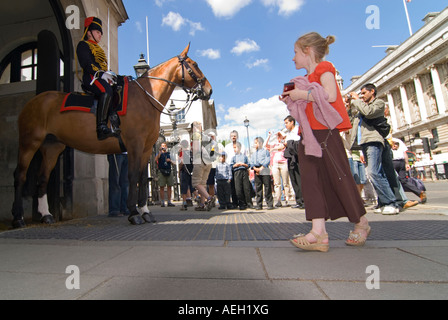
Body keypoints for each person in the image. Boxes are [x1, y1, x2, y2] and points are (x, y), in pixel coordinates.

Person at [280, 32, 369, 252]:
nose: (293, 58)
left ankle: (362, 223)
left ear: (307, 50)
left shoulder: (324, 68)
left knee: (340, 177)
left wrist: (301, 94)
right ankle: (318, 232)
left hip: (325, 133)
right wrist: (291, 98)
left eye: (296, 52)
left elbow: (329, 95)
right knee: (310, 181)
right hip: (308, 134)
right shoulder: (302, 80)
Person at [348, 84, 401, 215]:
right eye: (360, 94)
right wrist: (350, 106)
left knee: (373, 172)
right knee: (377, 173)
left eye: (364, 93)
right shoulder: (361, 108)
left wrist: (356, 100)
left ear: (372, 92)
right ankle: (382, 202)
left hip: (374, 141)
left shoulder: (379, 103)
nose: (362, 96)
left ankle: (391, 202)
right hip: (364, 142)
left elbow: (369, 113)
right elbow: (350, 122)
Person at [76, 17, 118, 140]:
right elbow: (86, 63)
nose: (100, 35)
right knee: (106, 91)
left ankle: (114, 119)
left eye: (101, 33)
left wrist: (110, 76)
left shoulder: (99, 49)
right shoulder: (83, 45)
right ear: (89, 32)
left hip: (101, 76)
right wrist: (101, 74)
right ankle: (101, 127)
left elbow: (104, 66)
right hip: (91, 77)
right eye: (98, 32)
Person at [391, 138, 427, 203]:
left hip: (393, 162)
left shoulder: (388, 140)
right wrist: (406, 163)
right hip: (401, 162)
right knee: (403, 180)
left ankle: (396, 199)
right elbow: (405, 153)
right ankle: (419, 192)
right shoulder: (399, 140)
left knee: (391, 181)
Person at [191, 122, 215, 211]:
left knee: (196, 183)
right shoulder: (207, 137)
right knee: (203, 184)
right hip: (208, 163)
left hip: (200, 161)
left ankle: (209, 198)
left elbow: (196, 149)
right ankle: (202, 204)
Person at [283, 116, 305, 209]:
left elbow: (297, 145)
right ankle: (299, 201)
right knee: (293, 180)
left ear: (292, 122)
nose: (285, 125)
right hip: (290, 159)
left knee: (299, 179)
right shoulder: (288, 134)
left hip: (297, 158)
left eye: (287, 122)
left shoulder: (297, 131)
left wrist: (288, 143)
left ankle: (304, 201)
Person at [266, 130, 292, 207]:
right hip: (275, 164)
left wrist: (281, 132)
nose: (279, 137)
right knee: (277, 183)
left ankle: (287, 199)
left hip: (283, 163)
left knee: (285, 182)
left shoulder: (284, 142)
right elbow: (265, 144)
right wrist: (269, 136)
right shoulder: (273, 144)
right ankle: (278, 200)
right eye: (278, 136)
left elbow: (283, 145)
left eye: (279, 136)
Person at [250, 137, 274, 210]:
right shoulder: (253, 154)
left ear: (260, 143)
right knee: (258, 187)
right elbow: (251, 162)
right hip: (256, 170)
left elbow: (267, 160)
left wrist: (262, 167)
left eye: (256, 143)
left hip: (264, 168)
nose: (255, 144)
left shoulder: (265, 151)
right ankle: (259, 204)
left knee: (267, 186)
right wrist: (254, 168)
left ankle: (269, 203)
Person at [225, 130, 246, 207]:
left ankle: (242, 202)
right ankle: (234, 202)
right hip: (231, 168)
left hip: (240, 168)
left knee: (240, 186)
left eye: (235, 135)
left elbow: (244, 156)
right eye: (232, 136)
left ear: (237, 136)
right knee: (232, 186)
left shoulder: (242, 146)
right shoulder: (227, 147)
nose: (233, 137)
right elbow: (226, 158)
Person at [230, 142, 252, 210]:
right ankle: (241, 203)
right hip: (236, 172)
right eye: (234, 148)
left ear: (239, 147)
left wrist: (243, 164)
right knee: (238, 189)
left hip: (244, 171)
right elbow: (231, 166)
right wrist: (235, 165)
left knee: (246, 188)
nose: (235, 149)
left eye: (236, 147)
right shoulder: (233, 157)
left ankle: (249, 203)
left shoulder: (244, 157)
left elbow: (248, 165)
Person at [107, 152, 129, 217]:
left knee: (125, 182)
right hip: (116, 152)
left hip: (127, 153)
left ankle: (125, 208)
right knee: (115, 181)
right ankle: (114, 209)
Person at [155, 142, 175, 207]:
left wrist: (170, 161)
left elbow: (174, 163)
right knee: (161, 186)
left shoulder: (169, 153)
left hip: (168, 170)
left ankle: (169, 201)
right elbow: (155, 160)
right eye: (162, 146)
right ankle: (162, 201)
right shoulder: (159, 153)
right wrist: (160, 152)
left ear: (166, 147)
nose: (163, 147)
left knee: (169, 186)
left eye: (164, 146)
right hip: (161, 171)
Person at [179, 140, 194, 211]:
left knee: (184, 188)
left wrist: (179, 170)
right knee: (191, 187)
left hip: (184, 172)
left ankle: (184, 203)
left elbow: (182, 163)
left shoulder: (183, 153)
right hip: (190, 172)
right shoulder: (190, 152)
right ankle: (197, 198)